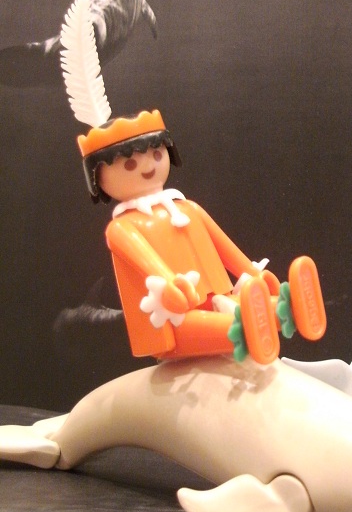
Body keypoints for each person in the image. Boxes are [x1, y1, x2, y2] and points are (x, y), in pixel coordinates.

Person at [77, 108, 325, 364]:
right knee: (225, 323)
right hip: (172, 316)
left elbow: (225, 247)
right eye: (130, 164)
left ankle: (293, 308)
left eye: (157, 154)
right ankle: (248, 330)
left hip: (219, 296)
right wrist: (170, 284)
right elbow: (146, 260)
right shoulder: (122, 228)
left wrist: (252, 274)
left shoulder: (189, 208)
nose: (149, 166)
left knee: (238, 306)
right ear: (99, 178)